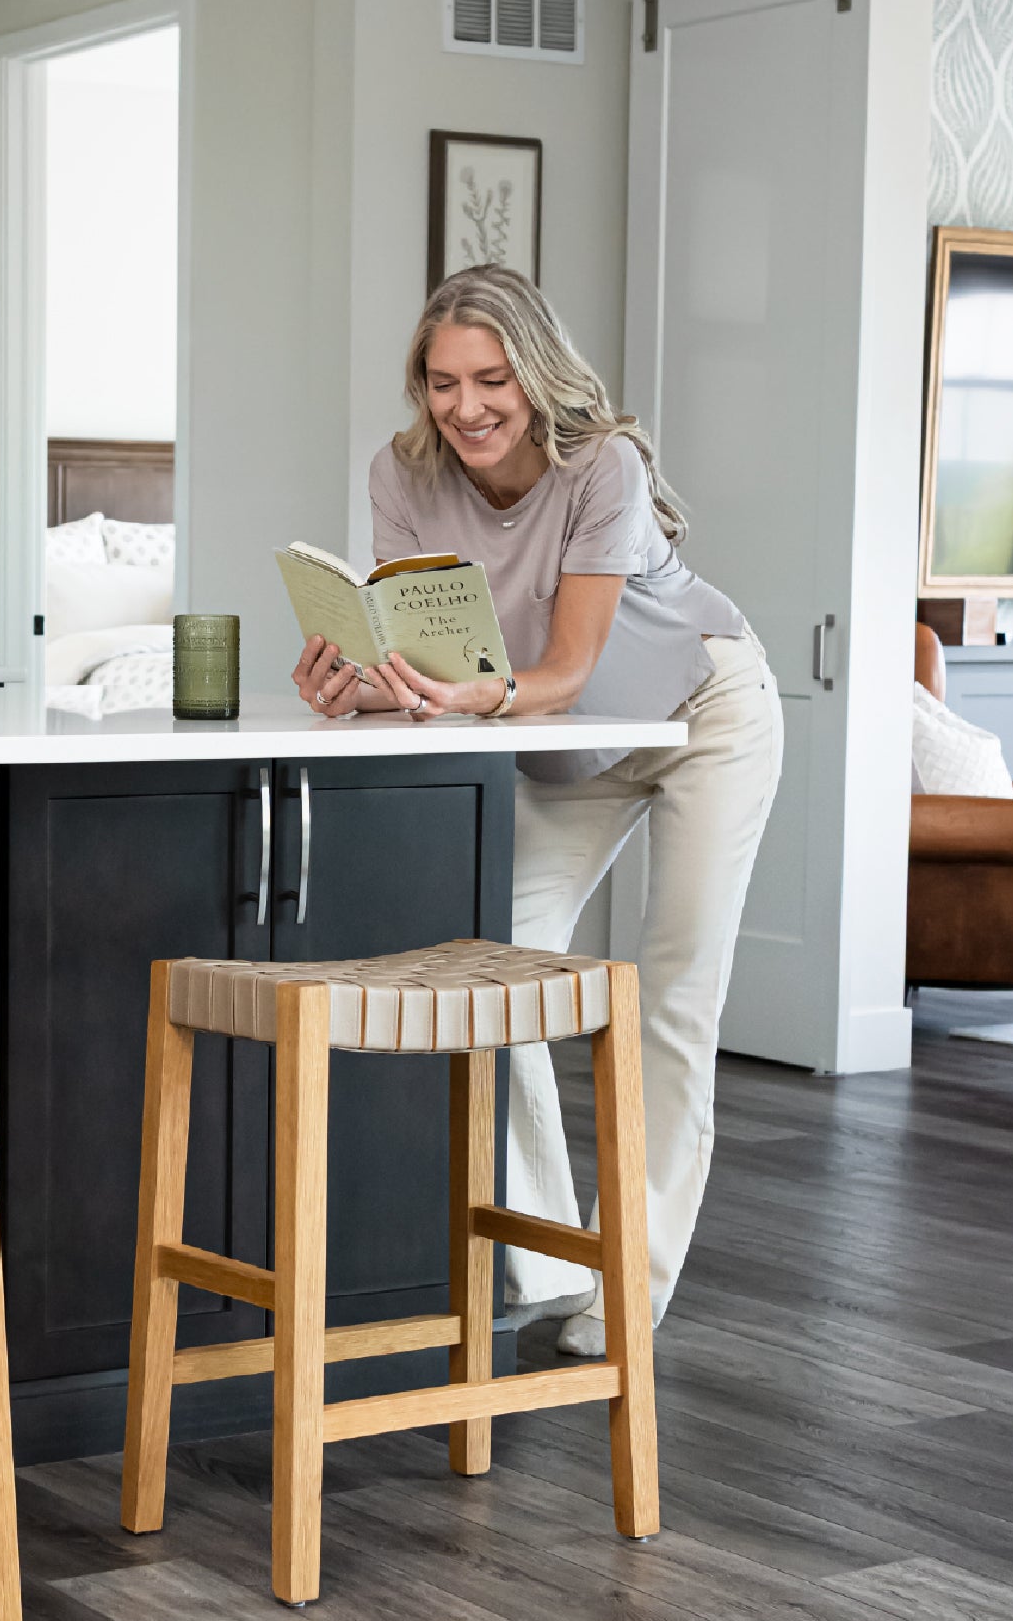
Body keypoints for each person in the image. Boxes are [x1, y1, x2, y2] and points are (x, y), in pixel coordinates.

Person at [290, 265, 781, 1354]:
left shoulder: (602, 464)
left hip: (701, 711)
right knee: (486, 959)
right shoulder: (401, 474)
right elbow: (430, 658)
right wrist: (358, 686)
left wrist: (472, 696)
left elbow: (565, 668)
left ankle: (627, 1289)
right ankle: (551, 1259)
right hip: (568, 746)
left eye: (491, 380)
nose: (465, 407)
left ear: (536, 374)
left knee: (673, 996)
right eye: (442, 382)